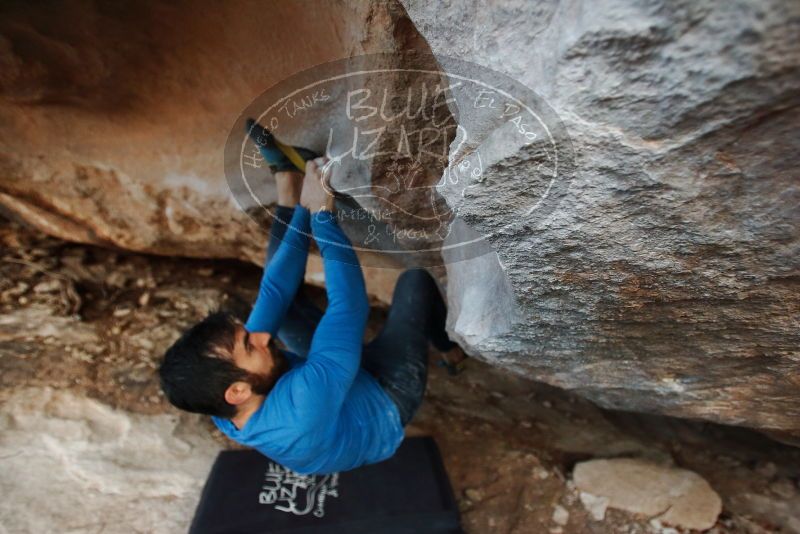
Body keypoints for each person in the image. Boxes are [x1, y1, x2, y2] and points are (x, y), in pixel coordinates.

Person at [158, 128, 461, 475]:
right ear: (238, 391)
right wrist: (322, 214)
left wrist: (303, 206)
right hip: (384, 397)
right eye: (250, 345)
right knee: (415, 282)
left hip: (331, 383)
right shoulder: (301, 409)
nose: (261, 336)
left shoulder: (222, 394)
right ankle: (450, 350)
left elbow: (275, 289)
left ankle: (289, 186)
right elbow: (348, 307)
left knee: (280, 305)